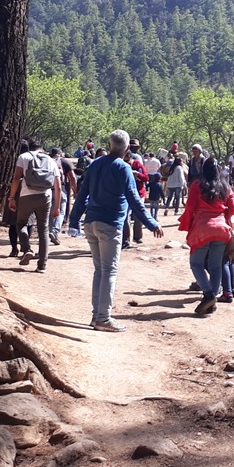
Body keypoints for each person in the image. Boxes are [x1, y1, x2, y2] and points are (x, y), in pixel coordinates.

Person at [68, 130, 164, 332]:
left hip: (91, 223)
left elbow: (82, 193)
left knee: (99, 270)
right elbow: (133, 198)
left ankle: (97, 316)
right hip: (110, 224)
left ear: (109, 145)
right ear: (127, 149)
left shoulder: (96, 164)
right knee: (109, 270)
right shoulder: (123, 168)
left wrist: (74, 220)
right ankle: (103, 318)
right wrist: (151, 223)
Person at [178, 157, 234, 316]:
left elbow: (190, 207)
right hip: (222, 230)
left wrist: (186, 224)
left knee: (196, 263)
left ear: (203, 170)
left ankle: (208, 294)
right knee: (216, 266)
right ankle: (211, 304)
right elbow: (233, 208)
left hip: (202, 228)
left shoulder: (197, 185)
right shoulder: (225, 186)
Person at [7, 139, 62, 274]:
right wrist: (57, 207)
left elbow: (16, 178)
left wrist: (11, 198)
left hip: (26, 196)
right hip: (46, 197)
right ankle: (42, 265)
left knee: (21, 223)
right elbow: (58, 186)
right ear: (42, 149)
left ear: (30, 148)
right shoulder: (51, 160)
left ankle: (27, 249)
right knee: (43, 229)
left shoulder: (24, 157)